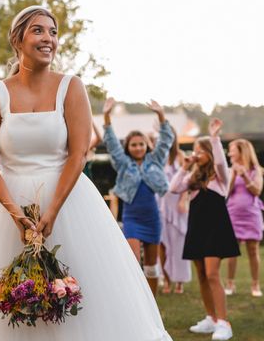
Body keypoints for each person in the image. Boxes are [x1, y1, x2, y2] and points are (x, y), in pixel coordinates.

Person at [0, 6, 172, 340]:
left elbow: (78, 154)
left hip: (68, 204)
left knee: (77, 299)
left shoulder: (72, 87)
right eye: (38, 31)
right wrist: (14, 213)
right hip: (8, 210)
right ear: (17, 38)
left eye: (52, 31)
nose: (48, 38)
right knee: (13, 303)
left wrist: (52, 211)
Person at [170, 118, 240, 341]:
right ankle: (211, 318)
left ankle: (224, 322)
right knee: (201, 274)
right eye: (195, 150)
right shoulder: (193, 176)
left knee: (211, 274)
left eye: (201, 150)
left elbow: (219, 161)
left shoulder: (220, 176)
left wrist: (214, 138)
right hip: (197, 228)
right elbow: (173, 188)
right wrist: (184, 167)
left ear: (209, 152)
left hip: (216, 228)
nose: (196, 153)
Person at [102, 97, 175, 296]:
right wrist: (107, 115)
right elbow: (111, 144)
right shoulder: (124, 164)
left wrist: (161, 115)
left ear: (146, 145)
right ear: (128, 147)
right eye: (133, 145)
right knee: (133, 261)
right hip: (132, 218)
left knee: (152, 266)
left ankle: (151, 301)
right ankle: (135, 299)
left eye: (141, 144)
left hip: (152, 218)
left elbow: (166, 140)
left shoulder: (155, 161)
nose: (138, 148)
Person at [224, 139, 264, 297]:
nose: (229, 153)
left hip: (251, 215)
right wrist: (234, 175)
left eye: (232, 150)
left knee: (253, 251)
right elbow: (226, 193)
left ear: (242, 151)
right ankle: (230, 283)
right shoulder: (229, 171)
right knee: (232, 252)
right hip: (233, 214)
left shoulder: (256, 170)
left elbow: (257, 191)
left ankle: (255, 285)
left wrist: (245, 176)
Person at [159, 134, 191, 295]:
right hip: (161, 204)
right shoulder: (159, 155)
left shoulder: (181, 156)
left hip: (178, 205)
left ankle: (179, 281)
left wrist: (183, 199)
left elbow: (187, 180)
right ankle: (166, 279)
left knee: (179, 245)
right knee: (163, 245)